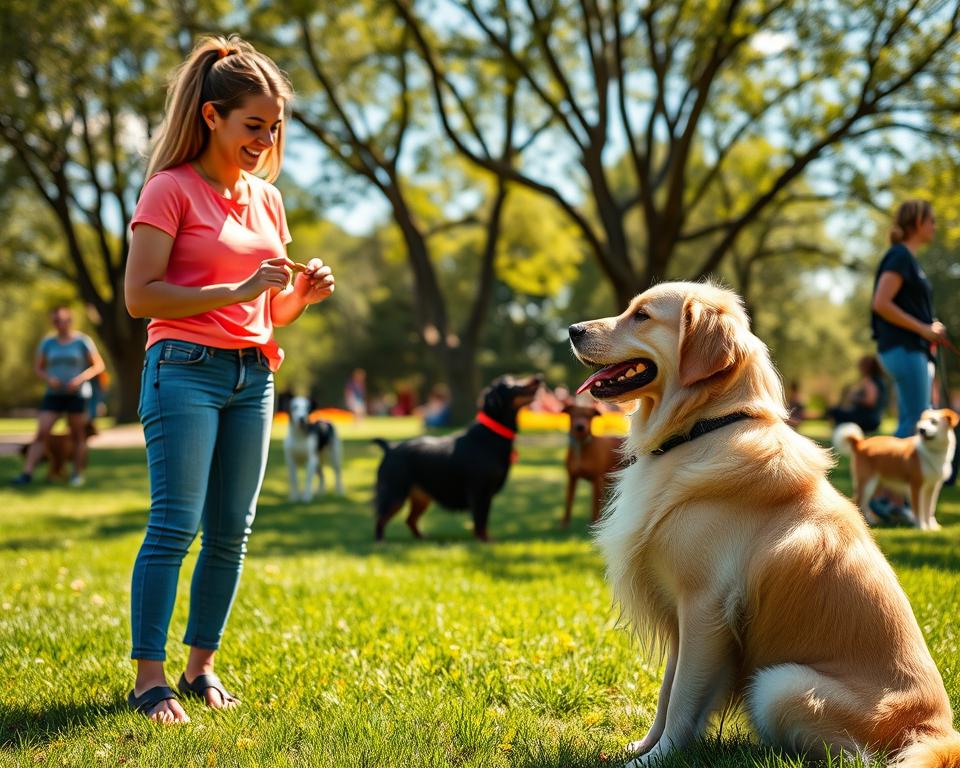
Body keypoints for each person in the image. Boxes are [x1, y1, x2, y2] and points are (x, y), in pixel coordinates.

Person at [123, 35, 335, 724]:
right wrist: (238, 284)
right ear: (212, 116)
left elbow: (269, 311)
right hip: (183, 370)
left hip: (253, 375)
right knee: (174, 525)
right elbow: (142, 297)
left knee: (230, 531)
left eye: (273, 128)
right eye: (253, 126)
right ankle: (149, 679)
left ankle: (199, 668)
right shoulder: (170, 188)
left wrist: (301, 296)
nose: (265, 139)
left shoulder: (268, 201)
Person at [871, 199, 951, 439]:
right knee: (918, 424)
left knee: (912, 423)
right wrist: (924, 329)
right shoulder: (900, 256)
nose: (935, 226)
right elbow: (881, 303)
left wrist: (929, 330)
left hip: (910, 349)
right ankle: (891, 475)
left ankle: (892, 476)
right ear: (918, 222)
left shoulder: (906, 258)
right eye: (931, 221)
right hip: (904, 349)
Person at [11, 306, 105, 487]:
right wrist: (49, 378)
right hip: (54, 394)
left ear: (69, 320)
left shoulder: (82, 341)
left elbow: (98, 365)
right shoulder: (48, 343)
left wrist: (80, 379)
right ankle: (26, 473)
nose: (59, 324)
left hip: (76, 394)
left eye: (61, 320)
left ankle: (77, 475)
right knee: (41, 433)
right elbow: (38, 368)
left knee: (78, 435)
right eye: (55, 321)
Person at [826, 356, 888, 433]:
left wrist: (854, 397)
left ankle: (837, 431)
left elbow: (870, 401)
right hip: (874, 420)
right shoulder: (880, 381)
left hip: (868, 420)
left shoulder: (870, 381)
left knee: (833, 411)